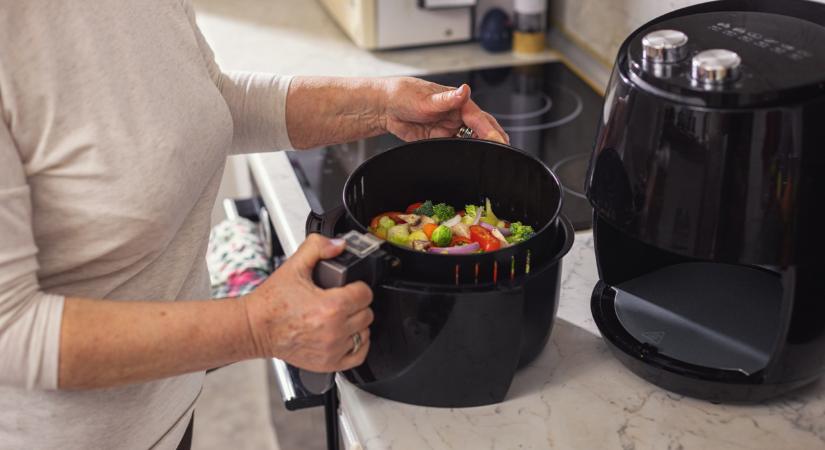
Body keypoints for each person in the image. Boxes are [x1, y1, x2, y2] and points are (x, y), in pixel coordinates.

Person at [0, 0, 508, 449]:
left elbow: (207, 100)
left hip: (167, 413)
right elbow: (10, 330)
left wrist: (381, 104)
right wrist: (256, 326)